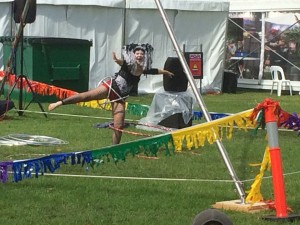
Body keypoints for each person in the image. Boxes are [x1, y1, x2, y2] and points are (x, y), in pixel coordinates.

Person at [48, 44, 174, 145]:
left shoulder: (143, 69)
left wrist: (166, 72)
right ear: (133, 55)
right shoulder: (128, 64)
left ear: (144, 56)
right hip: (110, 88)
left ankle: (114, 148)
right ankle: (59, 102)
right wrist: (116, 59)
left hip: (120, 97)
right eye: (137, 53)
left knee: (119, 126)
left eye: (142, 54)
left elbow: (156, 71)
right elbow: (122, 62)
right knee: (85, 96)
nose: (139, 55)